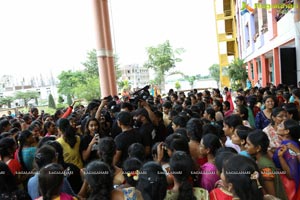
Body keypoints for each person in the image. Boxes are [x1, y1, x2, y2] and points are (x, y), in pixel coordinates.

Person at [246, 130, 288, 199]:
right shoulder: (262, 160)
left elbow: (272, 196)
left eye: (248, 144)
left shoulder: (265, 167)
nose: (246, 146)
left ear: (258, 148)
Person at [273, 119, 300, 200]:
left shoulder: (289, 147)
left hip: (289, 186)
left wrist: (280, 158)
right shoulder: (287, 144)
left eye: (281, 125)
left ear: (287, 131)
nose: (277, 126)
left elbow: (291, 174)